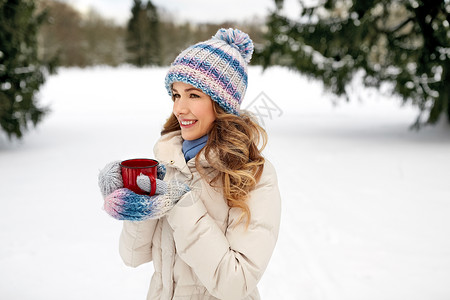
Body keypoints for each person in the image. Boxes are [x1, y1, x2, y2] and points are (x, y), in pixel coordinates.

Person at [98, 28, 281, 300]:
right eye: (176, 95)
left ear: (221, 104)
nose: (179, 108)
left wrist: (180, 203)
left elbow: (236, 282)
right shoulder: (168, 161)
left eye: (193, 95)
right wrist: (135, 200)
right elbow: (133, 256)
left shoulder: (251, 174)